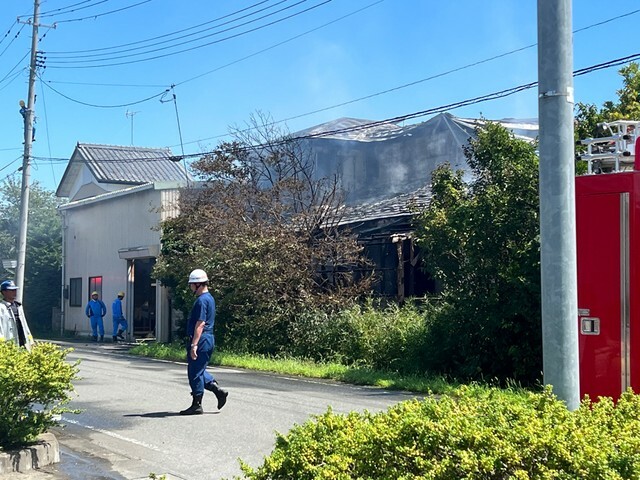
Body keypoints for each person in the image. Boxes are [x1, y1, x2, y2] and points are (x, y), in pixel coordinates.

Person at [180, 268, 228, 415]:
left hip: (201, 339)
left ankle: (197, 404)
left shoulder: (201, 301)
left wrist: (194, 344)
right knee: (199, 369)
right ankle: (217, 390)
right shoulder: (210, 298)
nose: (190, 287)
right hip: (207, 338)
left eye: (192, 284)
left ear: (198, 284)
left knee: (194, 372)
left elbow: (200, 323)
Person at [0, 280, 34, 350]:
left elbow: (25, 324)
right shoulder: (1, 307)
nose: (14, 292)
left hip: (22, 342)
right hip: (8, 343)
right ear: (4, 292)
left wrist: (30, 339)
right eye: (11, 290)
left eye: (15, 290)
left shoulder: (18, 306)